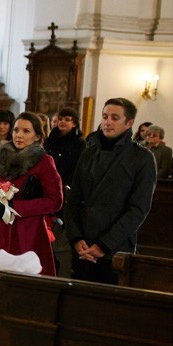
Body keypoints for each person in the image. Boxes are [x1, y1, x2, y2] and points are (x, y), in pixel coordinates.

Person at [0, 112, 64, 295]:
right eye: (16, 130)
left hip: (29, 231)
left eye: (26, 131)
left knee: (26, 290)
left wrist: (16, 208)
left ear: (37, 136)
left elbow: (55, 200)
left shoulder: (44, 161)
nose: (19, 135)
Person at [65, 98, 157, 284]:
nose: (107, 122)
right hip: (83, 246)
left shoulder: (142, 158)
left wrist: (104, 245)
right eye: (105, 116)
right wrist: (76, 238)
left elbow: (137, 210)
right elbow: (73, 201)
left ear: (129, 122)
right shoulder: (88, 154)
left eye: (115, 118)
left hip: (115, 248)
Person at [43, 106, 85, 186]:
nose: (62, 122)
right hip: (48, 181)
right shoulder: (50, 140)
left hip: (68, 183)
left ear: (74, 124)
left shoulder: (80, 143)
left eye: (67, 120)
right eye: (60, 119)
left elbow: (80, 168)